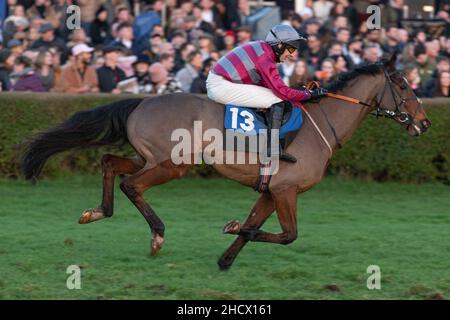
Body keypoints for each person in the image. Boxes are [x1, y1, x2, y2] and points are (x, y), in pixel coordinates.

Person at [206, 24, 327, 163]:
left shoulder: (263, 49)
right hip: (220, 86)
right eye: (291, 48)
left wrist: (298, 93)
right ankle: (273, 147)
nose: (293, 54)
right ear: (280, 45)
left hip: (220, 82)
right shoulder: (265, 58)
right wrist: (309, 95)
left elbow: (271, 86)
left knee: (273, 96)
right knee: (277, 100)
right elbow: (281, 92)